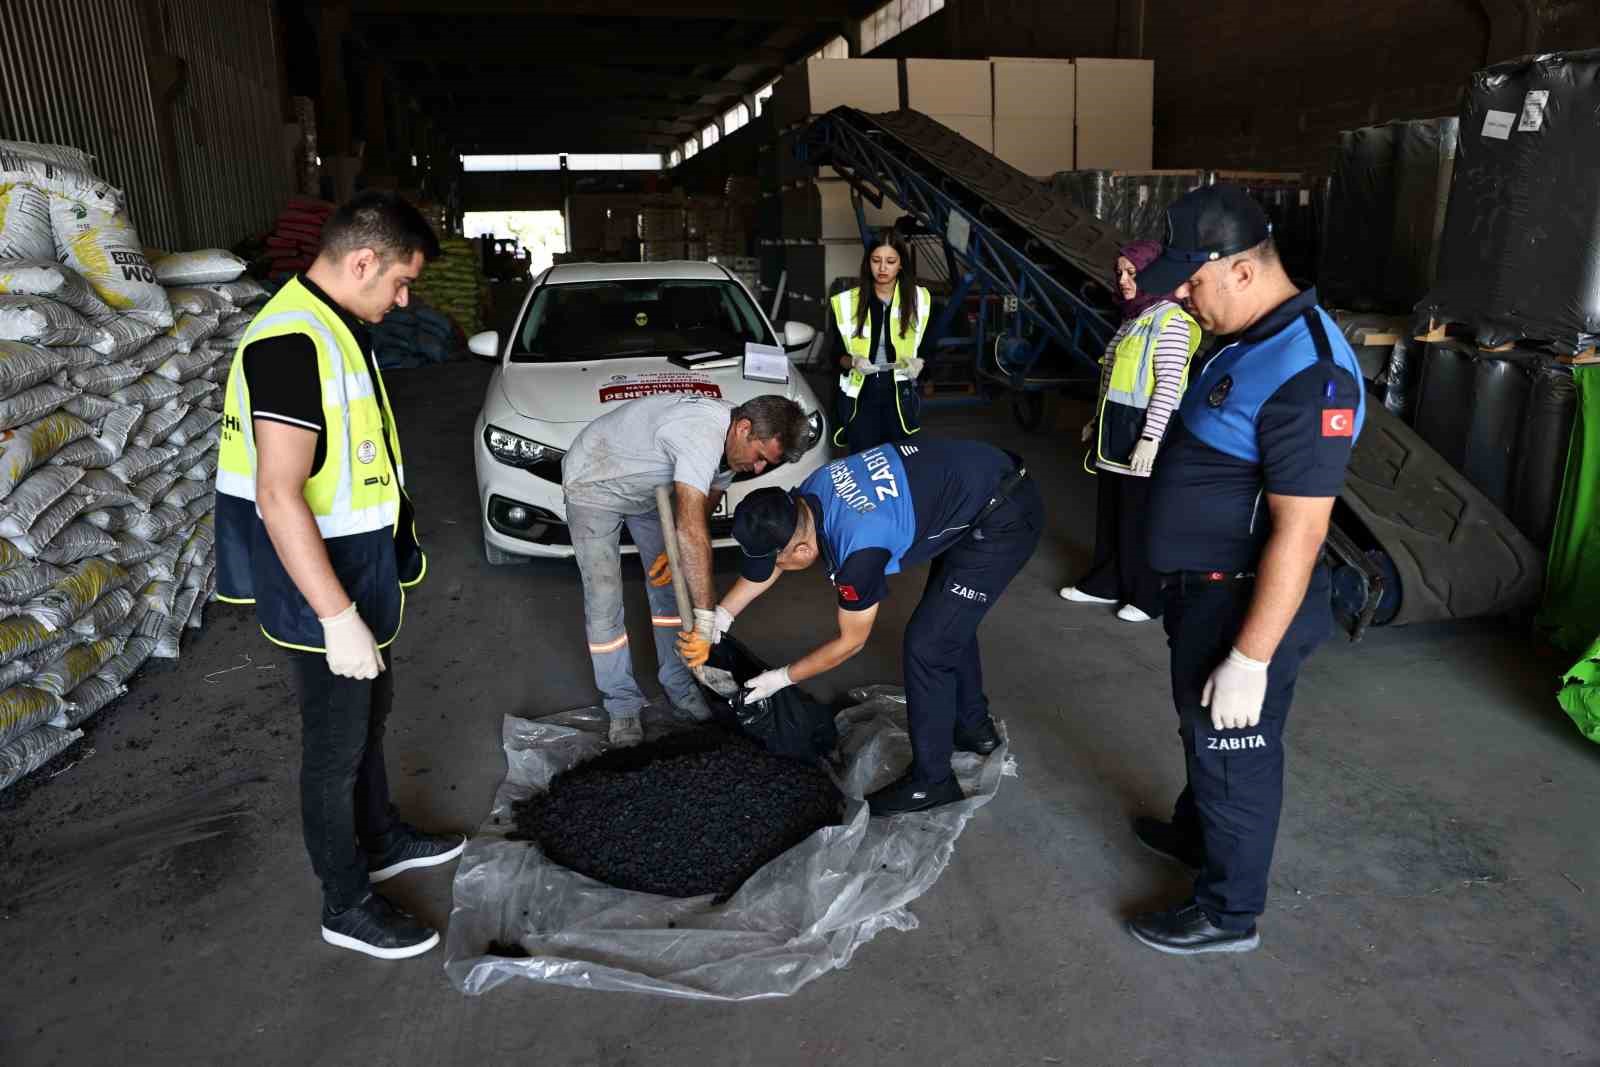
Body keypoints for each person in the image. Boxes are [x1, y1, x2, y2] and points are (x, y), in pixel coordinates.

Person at [215, 191, 464, 960]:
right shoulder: (290, 341)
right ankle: (346, 900)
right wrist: (334, 615)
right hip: (316, 585)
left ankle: (380, 835)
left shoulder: (334, 324)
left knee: (370, 713)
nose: (404, 299)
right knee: (333, 745)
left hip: (355, 570)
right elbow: (277, 492)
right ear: (362, 262)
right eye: (399, 283)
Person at [1122, 186, 1365, 955]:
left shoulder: (1311, 372)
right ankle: (1197, 836)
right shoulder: (1249, 331)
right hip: (1200, 590)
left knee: (1237, 753)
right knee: (1202, 732)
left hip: (1243, 602)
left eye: (1195, 282)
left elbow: (1301, 530)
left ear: (1245, 270)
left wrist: (1250, 658)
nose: (1185, 297)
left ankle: (1228, 912)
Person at [702, 439, 1042, 815]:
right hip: (977, 480)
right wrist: (722, 614)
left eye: (776, 559)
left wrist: (780, 678)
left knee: (928, 647)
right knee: (947, 625)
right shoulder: (811, 492)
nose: (772, 567)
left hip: (1002, 516)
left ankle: (933, 782)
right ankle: (974, 729)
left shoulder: (857, 553)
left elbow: (851, 642)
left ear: (801, 551)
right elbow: (769, 566)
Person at [562, 393, 811, 747]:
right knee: (604, 598)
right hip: (596, 481)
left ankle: (679, 685)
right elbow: (692, 530)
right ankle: (621, 705)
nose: (757, 469)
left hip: (648, 490)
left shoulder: (733, 445)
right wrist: (706, 619)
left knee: (669, 586)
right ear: (743, 429)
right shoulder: (699, 434)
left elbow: (706, 498)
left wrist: (676, 553)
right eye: (759, 458)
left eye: (766, 465)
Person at [1061, 240, 1201, 623]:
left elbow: (1168, 387)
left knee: (1139, 517)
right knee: (1111, 512)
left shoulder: (1170, 321)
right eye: (1120, 272)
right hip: (1117, 430)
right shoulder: (1134, 318)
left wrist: (1152, 438)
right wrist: (1097, 419)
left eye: (1133, 273)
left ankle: (1146, 596)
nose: (1123, 280)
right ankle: (1105, 583)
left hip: (1142, 434)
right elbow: (1115, 378)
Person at [829, 231, 932, 452]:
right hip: (862, 396)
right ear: (868, 264)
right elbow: (834, 355)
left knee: (901, 462)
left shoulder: (919, 300)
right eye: (876, 261)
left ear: (901, 264)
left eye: (890, 261)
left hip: (900, 395)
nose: (882, 268)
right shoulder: (848, 303)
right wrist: (853, 361)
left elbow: (929, 346)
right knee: (863, 463)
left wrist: (922, 363)